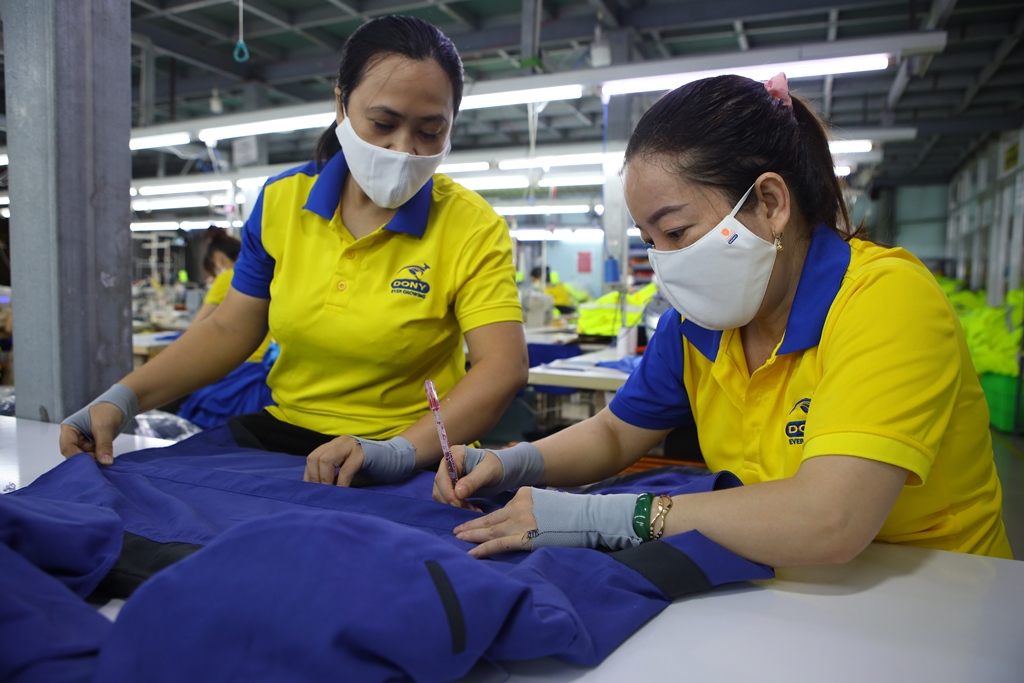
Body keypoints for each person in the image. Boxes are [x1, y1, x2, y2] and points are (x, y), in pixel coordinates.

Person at [435, 73, 1013, 565]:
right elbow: (615, 433)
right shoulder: (699, 325)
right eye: (650, 241)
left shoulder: (885, 300)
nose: (664, 260)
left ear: (770, 203)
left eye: (676, 231)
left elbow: (829, 518)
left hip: (934, 596)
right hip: (779, 581)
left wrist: (602, 516)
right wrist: (508, 463)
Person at [60, 15, 528, 486]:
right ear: (341, 105)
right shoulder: (283, 201)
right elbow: (230, 328)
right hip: (286, 436)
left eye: (430, 131)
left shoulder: (471, 225)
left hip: (409, 448)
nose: (403, 149)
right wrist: (123, 398)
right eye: (383, 123)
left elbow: (502, 366)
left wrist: (401, 451)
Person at [175, 227, 275, 429]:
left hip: (237, 372)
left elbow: (197, 328)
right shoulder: (270, 276)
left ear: (218, 259)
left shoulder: (229, 278)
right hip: (267, 375)